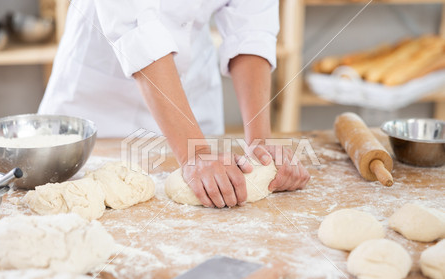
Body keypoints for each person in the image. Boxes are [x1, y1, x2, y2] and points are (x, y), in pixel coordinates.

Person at [39, 0, 310, 208]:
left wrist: (260, 144)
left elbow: (251, 29)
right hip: (99, 100)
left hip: (190, 87)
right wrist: (196, 152)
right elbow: (136, 29)